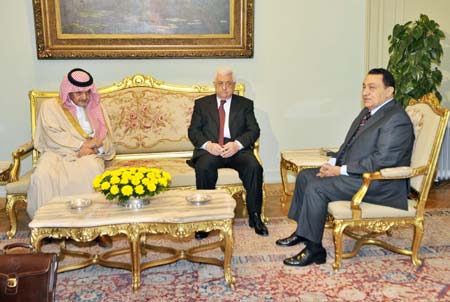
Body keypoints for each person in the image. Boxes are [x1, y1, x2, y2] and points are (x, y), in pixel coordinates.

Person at [276, 68, 414, 266]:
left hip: (381, 183)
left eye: (372, 87)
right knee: (306, 176)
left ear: (389, 91)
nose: (365, 92)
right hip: (359, 174)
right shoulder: (369, 112)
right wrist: (332, 163)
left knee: (317, 187)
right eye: (364, 87)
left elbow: (383, 160)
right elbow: (348, 144)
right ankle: (303, 232)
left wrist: (340, 170)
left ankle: (315, 250)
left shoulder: (397, 119)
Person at [27, 68, 116, 246]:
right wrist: (79, 146)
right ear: (68, 91)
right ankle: (47, 228)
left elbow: (106, 138)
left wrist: (95, 147)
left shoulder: (96, 108)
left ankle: (96, 228)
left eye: (87, 92)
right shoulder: (51, 107)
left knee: (91, 169)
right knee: (43, 175)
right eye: (78, 92)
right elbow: (52, 134)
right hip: (57, 152)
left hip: (89, 154)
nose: (84, 97)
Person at [188, 67, 268, 237]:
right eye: (221, 83)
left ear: (234, 85)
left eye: (228, 84)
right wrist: (208, 145)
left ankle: (255, 216)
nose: (224, 87)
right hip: (212, 150)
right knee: (203, 167)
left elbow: (254, 130)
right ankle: (205, 220)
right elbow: (193, 131)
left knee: (254, 167)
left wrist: (237, 144)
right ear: (214, 85)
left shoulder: (245, 104)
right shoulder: (202, 104)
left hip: (236, 151)